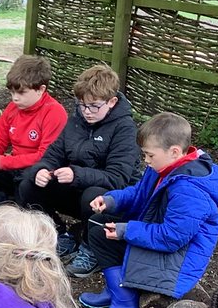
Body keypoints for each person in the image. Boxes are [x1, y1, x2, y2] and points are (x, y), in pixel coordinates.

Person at [73, 112, 218, 308]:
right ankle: (115, 289)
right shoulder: (164, 168)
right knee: (99, 225)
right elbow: (138, 193)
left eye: (149, 155)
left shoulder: (189, 188)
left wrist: (126, 230)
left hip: (176, 261)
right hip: (163, 241)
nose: (145, 160)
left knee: (105, 235)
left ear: (174, 152)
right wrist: (111, 200)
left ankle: (125, 302)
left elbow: (172, 237)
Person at [17, 63, 139, 261]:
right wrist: (42, 170)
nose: (87, 111)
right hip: (78, 191)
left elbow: (118, 179)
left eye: (94, 106)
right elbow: (52, 155)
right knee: (28, 184)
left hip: (112, 201)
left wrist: (76, 174)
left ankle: (91, 247)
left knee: (93, 194)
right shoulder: (75, 122)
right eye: (82, 105)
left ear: (112, 102)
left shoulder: (124, 129)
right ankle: (58, 234)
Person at [0, 54, 68, 213]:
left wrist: (3, 162)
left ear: (41, 89)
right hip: (14, 168)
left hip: (39, 174)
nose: (15, 98)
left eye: (21, 93)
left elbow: (45, 158)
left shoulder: (54, 112)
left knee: (27, 181)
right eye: (12, 92)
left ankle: (22, 213)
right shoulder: (12, 108)